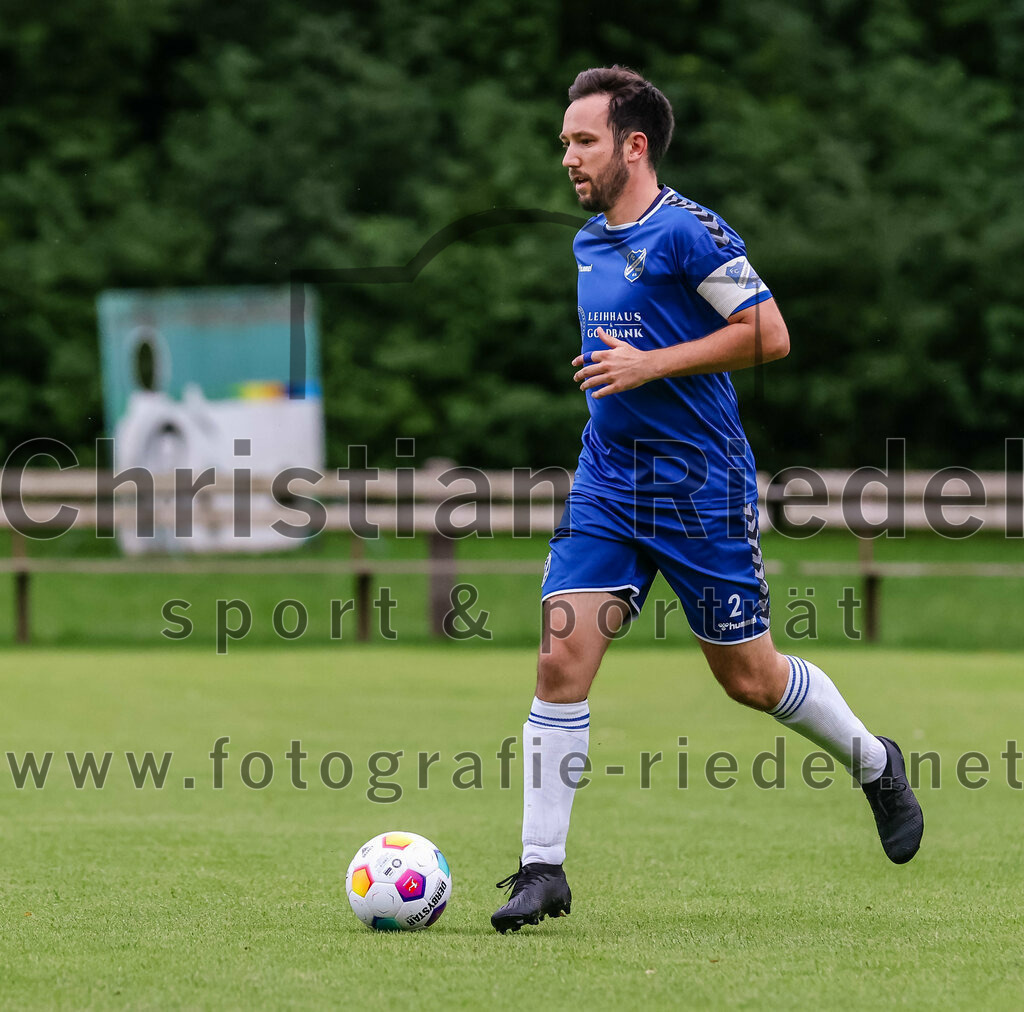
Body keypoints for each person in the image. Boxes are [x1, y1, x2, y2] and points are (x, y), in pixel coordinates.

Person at [491, 66, 924, 934]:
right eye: (565, 141)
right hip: (610, 482)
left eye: (583, 140)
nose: (566, 155)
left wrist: (647, 364)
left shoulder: (690, 234)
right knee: (559, 659)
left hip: (702, 491)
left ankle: (876, 762)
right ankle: (542, 870)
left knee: (749, 680)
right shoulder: (587, 241)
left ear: (633, 145)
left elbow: (770, 333)